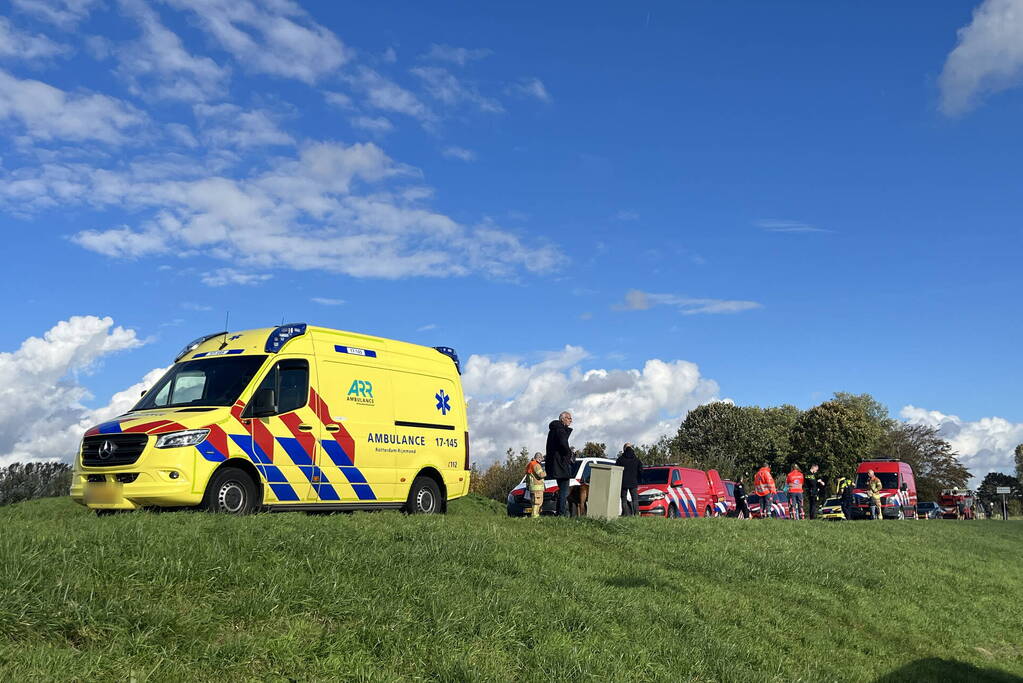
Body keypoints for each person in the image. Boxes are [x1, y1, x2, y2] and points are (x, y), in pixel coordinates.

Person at [545, 411, 575, 517]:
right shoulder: (560, 430)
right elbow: (563, 445)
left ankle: (559, 512)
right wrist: (569, 454)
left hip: (554, 465)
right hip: (561, 465)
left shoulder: (553, 430)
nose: (571, 420)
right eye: (569, 418)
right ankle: (561, 513)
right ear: (563, 419)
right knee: (564, 492)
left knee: (561, 490)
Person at [615, 443, 643, 516]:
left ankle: (626, 514)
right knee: (635, 499)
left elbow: (616, 470)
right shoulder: (636, 459)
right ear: (631, 448)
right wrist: (639, 480)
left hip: (623, 482)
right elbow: (641, 470)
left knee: (623, 499)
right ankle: (636, 514)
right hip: (634, 482)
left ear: (624, 449)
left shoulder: (620, 459)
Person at [524, 452, 546, 518]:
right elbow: (541, 475)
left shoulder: (530, 464)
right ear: (539, 458)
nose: (541, 461)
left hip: (532, 487)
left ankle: (535, 515)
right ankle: (535, 516)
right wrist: (545, 471)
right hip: (537, 488)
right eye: (541, 459)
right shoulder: (536, 465)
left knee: (534, 502)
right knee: (537, 503)